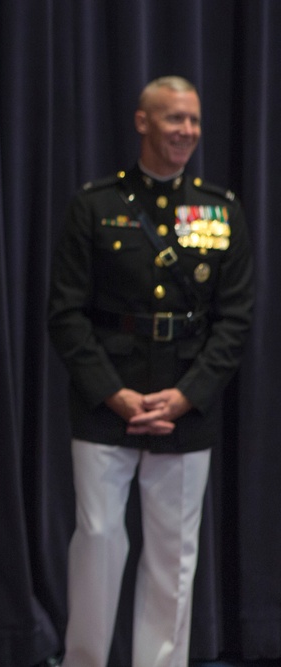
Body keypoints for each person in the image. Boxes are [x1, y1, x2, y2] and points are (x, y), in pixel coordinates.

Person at [47, 76, 254, 666]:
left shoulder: (220, 210)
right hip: (106, 400)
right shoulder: (96, 206)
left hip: (184, 404)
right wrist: (112, 393)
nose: (186, 131)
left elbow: (235, 320)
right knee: (98, 542)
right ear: (142, 122)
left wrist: (188, 395)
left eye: (193, 120)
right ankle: (85, 659)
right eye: (173, 120)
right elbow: (64, 314)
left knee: (173, 556)